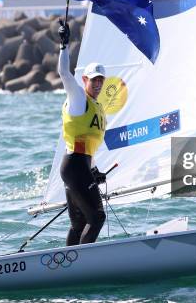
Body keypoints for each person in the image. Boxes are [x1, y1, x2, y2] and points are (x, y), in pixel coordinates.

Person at [57, 20, 107, 246]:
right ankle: (81, 263)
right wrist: (64, 45)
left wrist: (94, 170)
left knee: (79, 224)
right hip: (75, 167)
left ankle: (68, 265)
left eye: (100, 80)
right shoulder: (78, 98)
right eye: (93, 79)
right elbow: (64, 74)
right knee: (97, 217)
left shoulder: (97, 107)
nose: (97, 84)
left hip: (79, 167)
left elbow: (88, 146)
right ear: (85, 80)